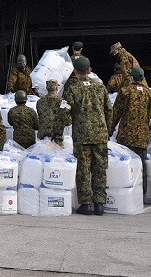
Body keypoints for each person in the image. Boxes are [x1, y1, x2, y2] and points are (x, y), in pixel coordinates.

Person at [52, 56, 111, 216]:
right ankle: (99, 204)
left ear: (75, 71)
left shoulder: (73, 89)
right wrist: (108, 130)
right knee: (100, 168)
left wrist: (57, 133)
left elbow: (63, 112)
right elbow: (109, 110)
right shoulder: (100, 87)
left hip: (82, 136)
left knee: (84, 169)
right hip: (100, 134)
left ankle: (86, 204)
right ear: (89, 69)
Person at [109, 67, 151, 194]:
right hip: (142, 138)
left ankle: (125, 192)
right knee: (141, 166)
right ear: (143, 78)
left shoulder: (125, 92)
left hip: (125, 137)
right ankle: (141, 193)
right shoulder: (150, 94)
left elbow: (115, 114)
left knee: (125, 165)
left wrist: (109, 131)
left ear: (131, 78)